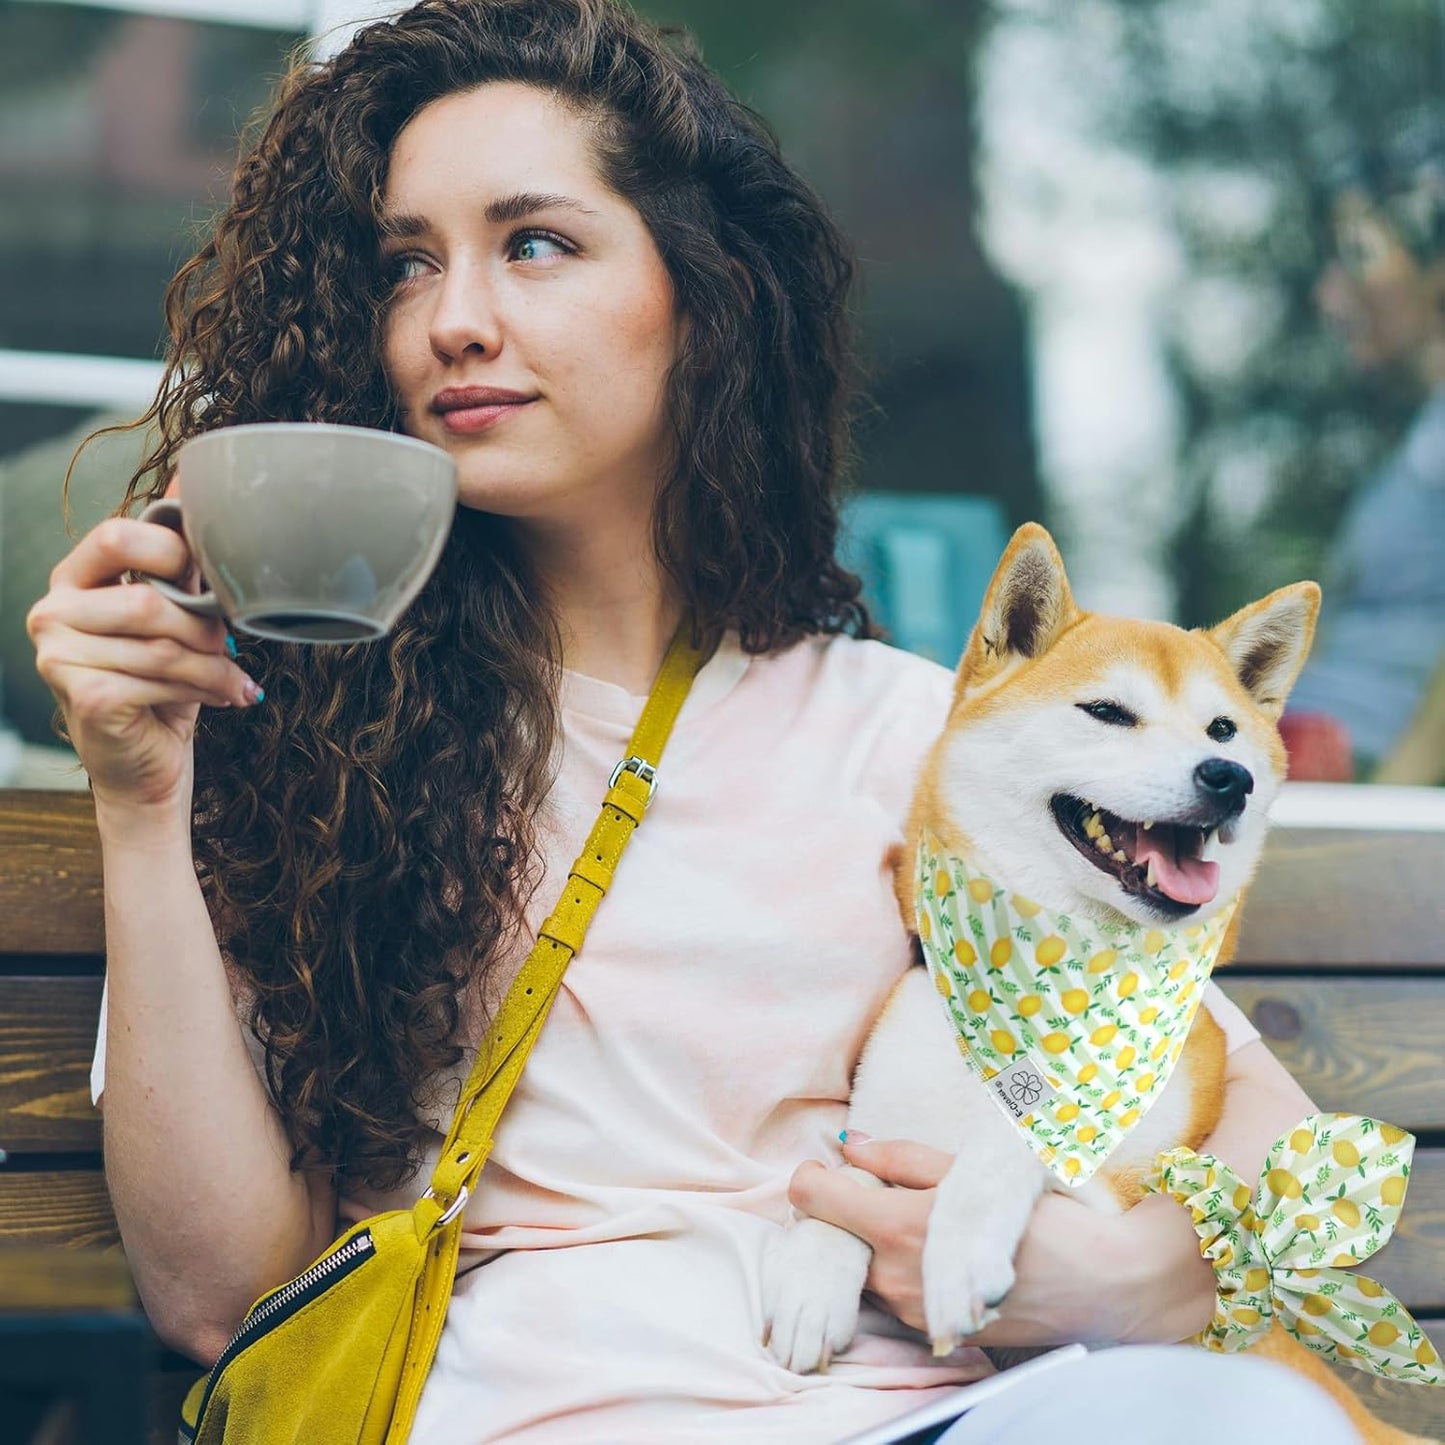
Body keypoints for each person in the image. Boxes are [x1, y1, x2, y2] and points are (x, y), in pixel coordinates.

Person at [26, 2, 1357, 1440]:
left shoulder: (916, 735)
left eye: (535, 241)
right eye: (408, 263)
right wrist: (143, 795)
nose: (454, 316)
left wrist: (1150, 1276)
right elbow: (220, 1299)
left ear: (704, 291)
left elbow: (1251, 1120)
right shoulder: (302, 740)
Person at [1282, 113, 1445, 784]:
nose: (1328, 293)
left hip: (1358, 777)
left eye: (1356, 256)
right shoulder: (1417, 447)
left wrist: (1387, 812)